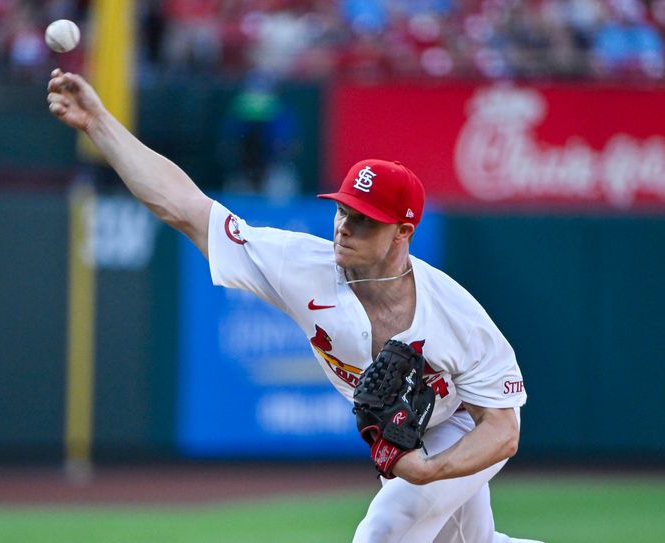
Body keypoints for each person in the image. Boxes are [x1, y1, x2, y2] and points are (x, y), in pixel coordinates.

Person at [47, 68, 540, 543]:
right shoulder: (301, 265)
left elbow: (501, 429)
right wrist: (99, 124)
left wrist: (429, 469)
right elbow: (184, 207)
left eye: (364, 219)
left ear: (402, 233)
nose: (344, 226)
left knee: (383, 531)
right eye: (343, 210)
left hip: (458, 428)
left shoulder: (457, 318)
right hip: (416, 435)